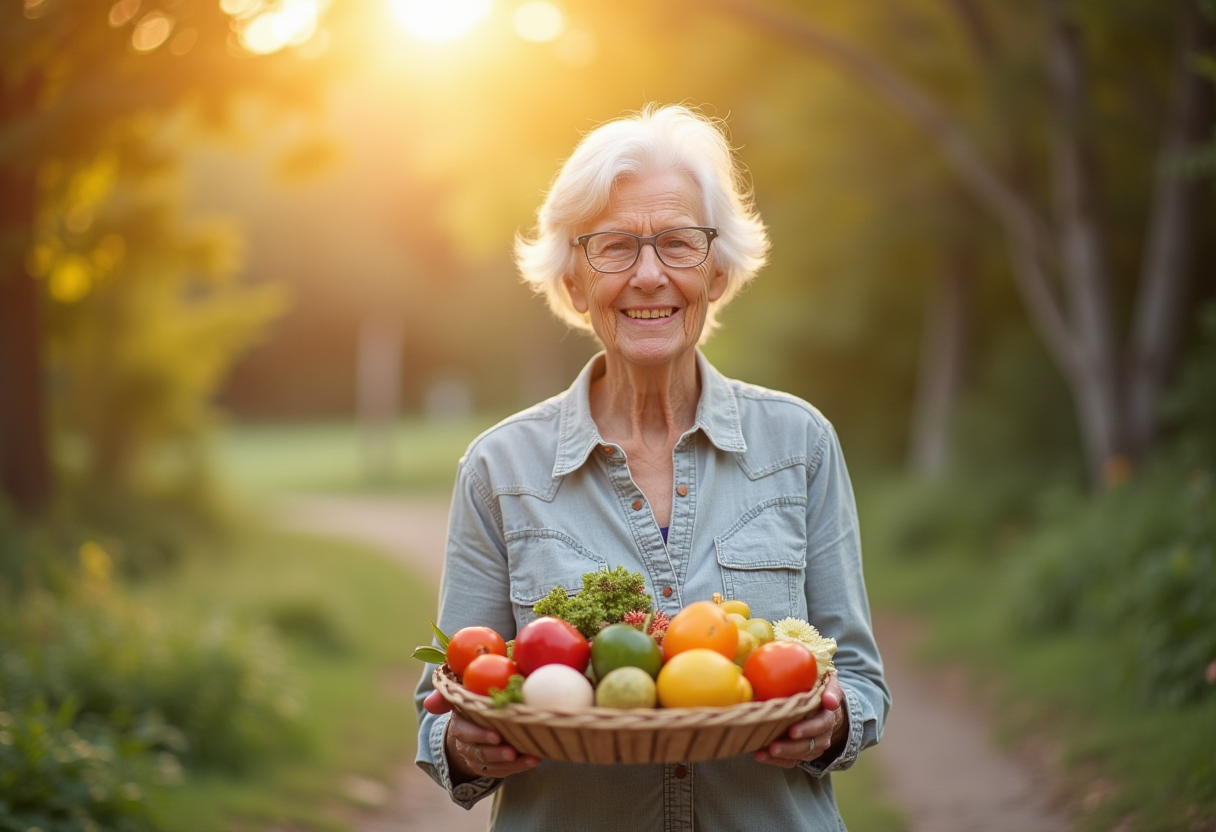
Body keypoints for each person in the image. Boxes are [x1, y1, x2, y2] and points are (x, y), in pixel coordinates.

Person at [414, 103, 890, 831]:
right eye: (613, 247)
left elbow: (858, 680)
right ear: (573, 282)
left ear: (717, 272)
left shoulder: (800, 444)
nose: (648, 275)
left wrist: (833, 723)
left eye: (677, 244)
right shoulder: (500, 467)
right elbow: (441, 710)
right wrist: (466, 743)